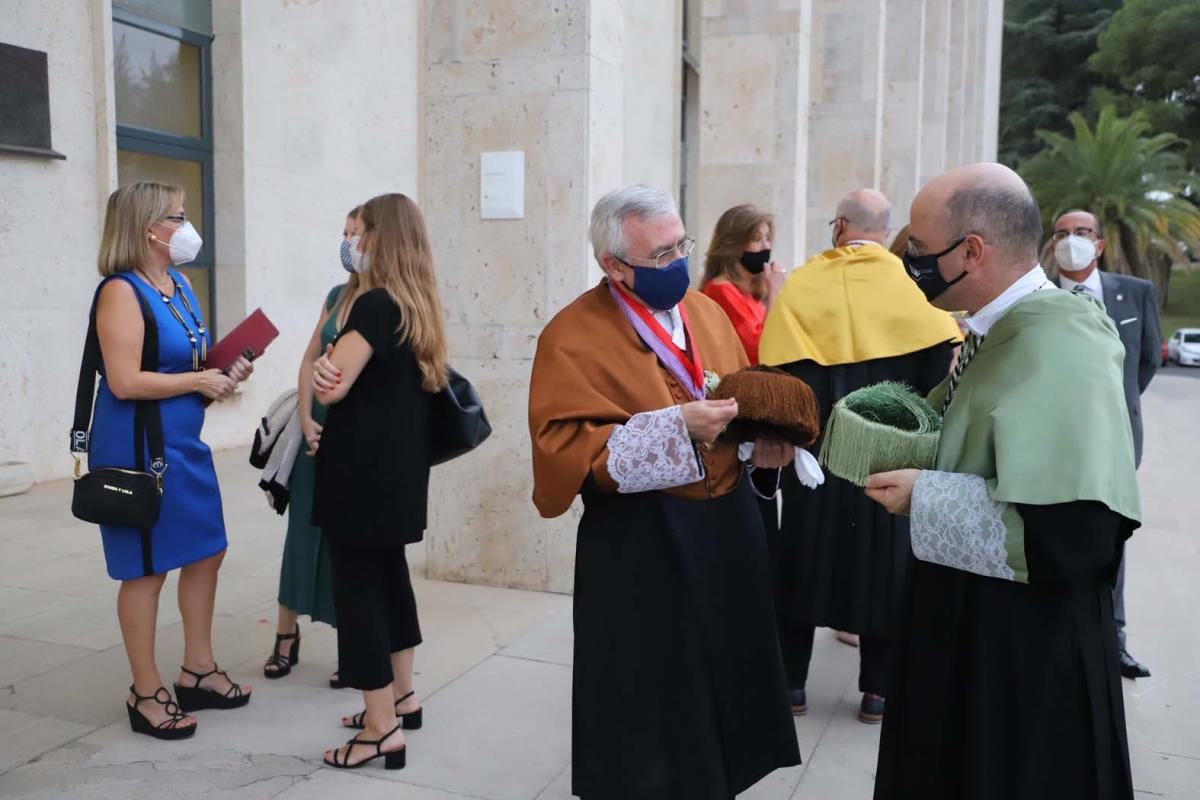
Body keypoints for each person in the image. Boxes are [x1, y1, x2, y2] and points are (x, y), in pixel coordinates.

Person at [866, 163, 1140, 799]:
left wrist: (923, 497)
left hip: (1021, 660)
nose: (910, 262)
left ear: (972, 252)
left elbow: (1075, 534)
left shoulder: (1060, 342)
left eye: (919, 249)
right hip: (971, 633)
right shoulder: (1001, 329)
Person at [528, 185, 801, 799]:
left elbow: (739, 394)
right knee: (650, 695)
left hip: (725, 525)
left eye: (682, 245)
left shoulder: (705, 310)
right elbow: (564, 447)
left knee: (727, 674)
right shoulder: (571, 335)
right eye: (661, 255)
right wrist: (672, 427)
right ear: (613, 265)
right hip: (640, 541)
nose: (677, 261)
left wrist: (764, 445)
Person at [758, 189, 962, 724]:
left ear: (841, 224)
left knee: (801, 565)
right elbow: (940, 378)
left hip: (817, 457)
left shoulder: (802, 284)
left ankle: (789, 687)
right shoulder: (915, 290)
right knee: (888, 570)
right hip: (891, 460)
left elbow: (780, 370)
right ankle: (877, 691)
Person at [89, 181, 254, 739]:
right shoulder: (121, 290)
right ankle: (145, 690)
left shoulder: (179, 284)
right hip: (138, 446)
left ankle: (197, 670)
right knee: (147, 567)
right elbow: (125, 380)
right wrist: (197, 377)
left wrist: (222, 374)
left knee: (207, 549)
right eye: (177, 218)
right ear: (147, 230)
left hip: (184, 437)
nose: (187, 229)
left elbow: (191, 363)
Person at [310, 193, 447, 771]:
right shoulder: (418, 306)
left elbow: (331, 386)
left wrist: (324, 371)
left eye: (359, 232)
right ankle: (403, 697)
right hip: (398, 475)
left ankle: (379, 727)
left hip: (358, 476)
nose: (352, 243)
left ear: (381, 238)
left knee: (360, 596)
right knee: (391, 582)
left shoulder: (372, 308)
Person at [1050, 209, 1160, 680]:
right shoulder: (1038, 296)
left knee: (1110, 534)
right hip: (1050, 441)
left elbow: (1148, 361)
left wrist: (1113, 411)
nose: (1071, 240)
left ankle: (1111, 641)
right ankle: (1051, 638)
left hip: (1114, 439)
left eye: (1082, 233)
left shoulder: (1134, 293)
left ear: (1098, 245)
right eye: (1061, 234)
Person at [262, 206, 364, 687]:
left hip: (355, 432)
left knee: (347, 539)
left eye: (355, 233)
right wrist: (304, 418)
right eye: (342, 232)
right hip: (316, 425)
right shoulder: (336, 295)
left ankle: (352, 643)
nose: (346, 242)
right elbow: (308, 359)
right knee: (301, 530)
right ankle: (286, 636)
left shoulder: (386, 301)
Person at [700, 204, 788, 536]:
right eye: (755, 238)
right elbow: (764, 346)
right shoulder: (719, 291)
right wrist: (778, 293)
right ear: (734, 243)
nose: (764, 247)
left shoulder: (751, 292)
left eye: (768, 237)